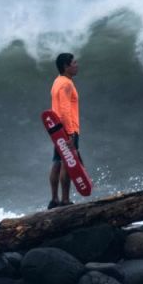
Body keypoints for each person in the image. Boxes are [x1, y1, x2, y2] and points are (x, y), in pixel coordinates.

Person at [48, 52, 81, 209]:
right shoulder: (66, 84)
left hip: (56, 128)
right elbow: (65, 109)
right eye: (74, 63)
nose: (77, 65)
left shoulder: (57, 81)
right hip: (67, 128)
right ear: (66, 66)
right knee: (67, 164)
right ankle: (65, 200)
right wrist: (70, 133)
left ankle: (54, 199)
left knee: (57, 162)